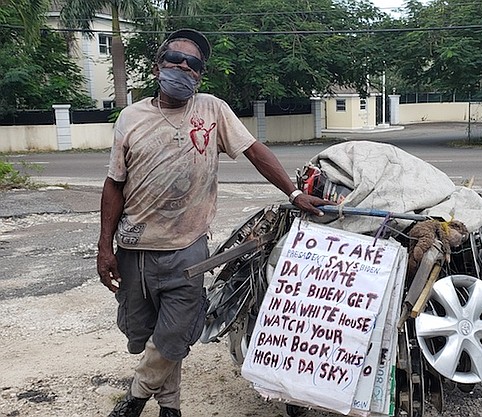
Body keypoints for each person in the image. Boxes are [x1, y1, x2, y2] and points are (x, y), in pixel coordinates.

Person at [96, 28, 332, 417]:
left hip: (188, 247)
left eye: (194, 65)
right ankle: (170, 406)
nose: (184, 69)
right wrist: (105, 247)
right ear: (159, 66)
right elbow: (113, 184)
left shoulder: (212, 109)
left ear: (199, 76)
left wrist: (293, 193)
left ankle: (136, 397)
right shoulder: (130, 117)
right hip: (135, 246)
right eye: (176, 60)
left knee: (175, 330)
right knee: (148, 335)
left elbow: (255, 152)